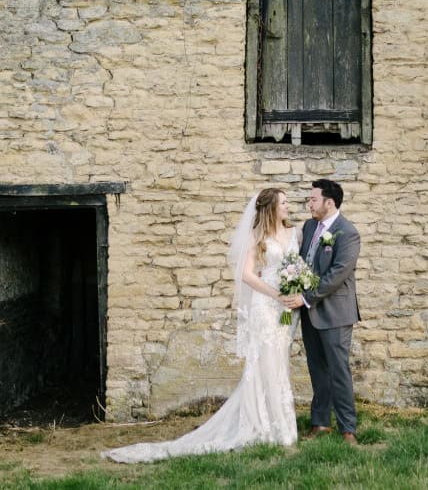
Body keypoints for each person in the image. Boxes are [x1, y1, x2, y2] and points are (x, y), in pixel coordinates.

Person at [103, 187, 299, 463]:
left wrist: (294, 288)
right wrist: (274, 292)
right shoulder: (258, 236)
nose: (288, 206)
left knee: (280, 363)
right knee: (263, 364)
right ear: (270, 208)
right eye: (284, 203)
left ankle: (284, 425)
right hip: (265, 306)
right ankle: (264, 425)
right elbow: (245, 274)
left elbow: (297, 265)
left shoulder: (294, 232)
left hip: (285, 308)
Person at [279, 178, 362, 444]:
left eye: (313, 199)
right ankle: (320, 422)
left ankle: (348, 428)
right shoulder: (310, 225)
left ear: (330, 202)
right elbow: (303, 263)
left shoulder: (348, 232)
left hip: (335, 312)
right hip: (309, 311)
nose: (309, 203)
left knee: (338, 370)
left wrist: (304, 297)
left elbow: (337, 274)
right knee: (317, 368)